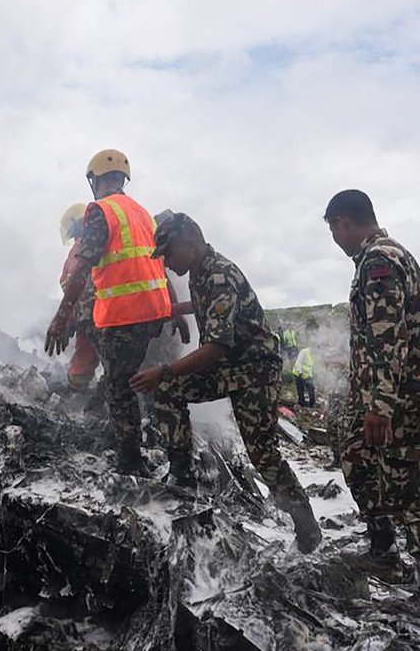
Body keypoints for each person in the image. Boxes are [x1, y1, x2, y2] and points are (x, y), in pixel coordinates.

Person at [130, 211, 322, 553]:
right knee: (169, 391)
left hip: (255, 372)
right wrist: (175, 309)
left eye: (169, 254)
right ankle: (181, 475)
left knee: (263, 454)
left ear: (189, 244)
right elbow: (205, 307)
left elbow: (216, 347)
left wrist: (167, 370)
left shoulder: (220, 274)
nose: (167, 263)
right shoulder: (199, 271)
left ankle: (308, 529)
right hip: (229, 368)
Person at [45, 149, 189, 476]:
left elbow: (81, 268)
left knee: (120, 390)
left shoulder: (101, 211)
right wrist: (173, 310)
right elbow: (158, 263)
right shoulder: (142, 212)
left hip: (124, 316)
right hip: (153, 314)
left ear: (94, 180)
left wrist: (58, 319)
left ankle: (130, 463)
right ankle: (178, 461)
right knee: (147, 380)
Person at [324, 189, 420, 576]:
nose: (335, 240)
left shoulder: (379, 261)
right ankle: (383, 549)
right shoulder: (388, 255)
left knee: (407, 491)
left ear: (341, 223)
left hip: (400, 401)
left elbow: (388, 336)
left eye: (334, 230)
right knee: (353, 453)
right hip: (384, 395)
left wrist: (380, 405)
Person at [59, 203, 100, 390]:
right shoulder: (87, 245)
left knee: (80, 369)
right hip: (93, 312)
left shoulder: (82, 247)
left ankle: (79, 395)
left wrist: (66, 319)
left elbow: (77, 282)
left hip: (90, 313)